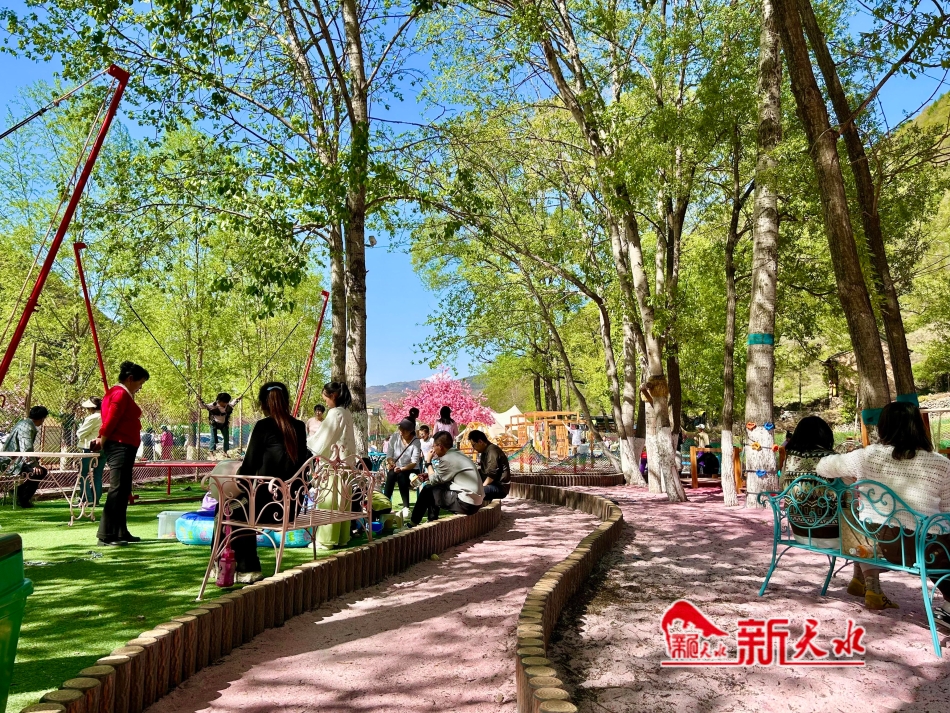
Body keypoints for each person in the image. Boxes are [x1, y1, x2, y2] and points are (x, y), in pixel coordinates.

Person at [817, 402, 950, 615]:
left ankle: (861, 579)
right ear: (919, 426)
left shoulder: (868, 456)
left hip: (880, 541)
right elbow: (946, 512)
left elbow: (822, 467)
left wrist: (851, 475)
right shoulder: (941, 464)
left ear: (883, 427)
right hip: (926, 549)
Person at [233, 382, 310, 582]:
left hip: (268, 509)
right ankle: (238, 567)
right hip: (292, 507)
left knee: (228, 508)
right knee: (240, 506)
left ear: (263, 404)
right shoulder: (299, 427)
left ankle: (243, 568)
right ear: (286, 401)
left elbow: (248, 469)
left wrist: (236, 480)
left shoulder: (263, 426)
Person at [97, 361, 150, 545]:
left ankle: (120, 531)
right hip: (119, 446)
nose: (140, 387)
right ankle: (106, 534)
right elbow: (111, 420)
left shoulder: (120, 393)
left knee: (123, 489)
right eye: (140, 383)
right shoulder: (119, 393)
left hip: (125, 445)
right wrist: (102, 441)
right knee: (117, 489)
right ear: (130, 379)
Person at [308, 382, 358, 549]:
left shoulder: (335, 413)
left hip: (334, 463)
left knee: (329, 500)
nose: (326, 402)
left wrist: (307, 444)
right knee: (342, 501)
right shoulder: (346, 412)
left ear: (333, 396)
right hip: (346, 462)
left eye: (326, 398)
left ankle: (326, 540)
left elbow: (323, 438)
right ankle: (342, 537)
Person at [410, 431, 484, 526]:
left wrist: (428, 462)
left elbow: (433, 481)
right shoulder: (458, 454)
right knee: (435, 490)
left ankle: (412, 524)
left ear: (440, 446)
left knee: (428, 490)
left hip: (466, 503)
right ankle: (432, 522)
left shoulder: (447, 459)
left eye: (434, 446)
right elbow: (441, 478)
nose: (433, 450)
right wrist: (427, 475)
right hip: (476, 503)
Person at [1, 405, 50, 508]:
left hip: (13, 459)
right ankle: (22, 499)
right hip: (10, 462)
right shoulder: (27, 427)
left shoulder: (24, 423)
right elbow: (26, 448)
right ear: (42, 418)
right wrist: (34, 464)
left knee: (39, 471)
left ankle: (18, 492)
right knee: (39, 472)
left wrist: (33, 460)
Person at [384, 419, 422, 518]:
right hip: (396, 467)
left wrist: (401, 469)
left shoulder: (416, 442)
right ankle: (385, 505)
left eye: (405, 430)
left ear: (411, 431)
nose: (401, 431)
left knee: (401, 475)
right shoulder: (394, 437)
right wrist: (392, 464)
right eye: (400, 429)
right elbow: (389, 455)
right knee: (391, 474)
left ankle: (406, 507)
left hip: (411, 469)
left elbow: (414, 462)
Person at [76, 398, 106, 506]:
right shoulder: (106, 416)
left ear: (91, 408)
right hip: (104, 447)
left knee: (83, 474)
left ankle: (87, 499)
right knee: (98, 475)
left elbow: (81, 434)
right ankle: (95, 499)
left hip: (90, 447)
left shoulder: (92, 418)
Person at [468, 429, 510, 502]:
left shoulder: (492, 451)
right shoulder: (485, 452)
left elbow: (491, 475)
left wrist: (481, 489)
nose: (473, 448)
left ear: (480, 442)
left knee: (472, 493)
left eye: (473, 445)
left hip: (499, 487)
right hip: (492, 485)